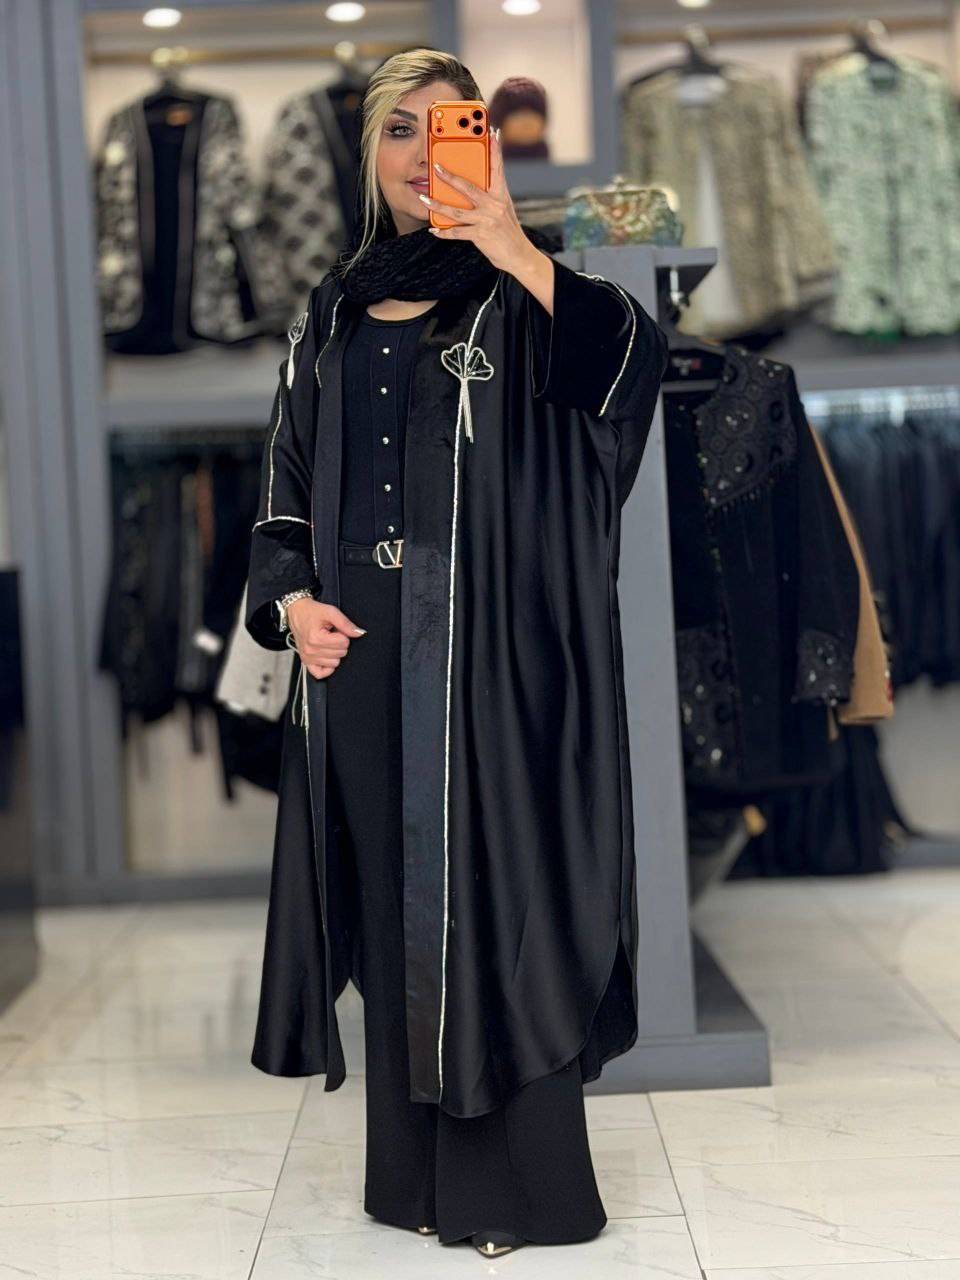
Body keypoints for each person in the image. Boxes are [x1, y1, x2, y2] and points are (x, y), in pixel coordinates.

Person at [244, 48, 668, 1256]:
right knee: (393, 907)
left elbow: (626, 368)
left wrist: (519, 252)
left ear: (482, 147)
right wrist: (294, 603)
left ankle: (518, 1193)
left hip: (491, 655)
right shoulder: (330, 306)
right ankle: (413, 1179)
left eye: (447, 129)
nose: (420, 153)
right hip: (361, 655)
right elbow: (283, 481)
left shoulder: (518, 294)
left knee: (496, 901)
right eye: (398, 131)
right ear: (368, 154)